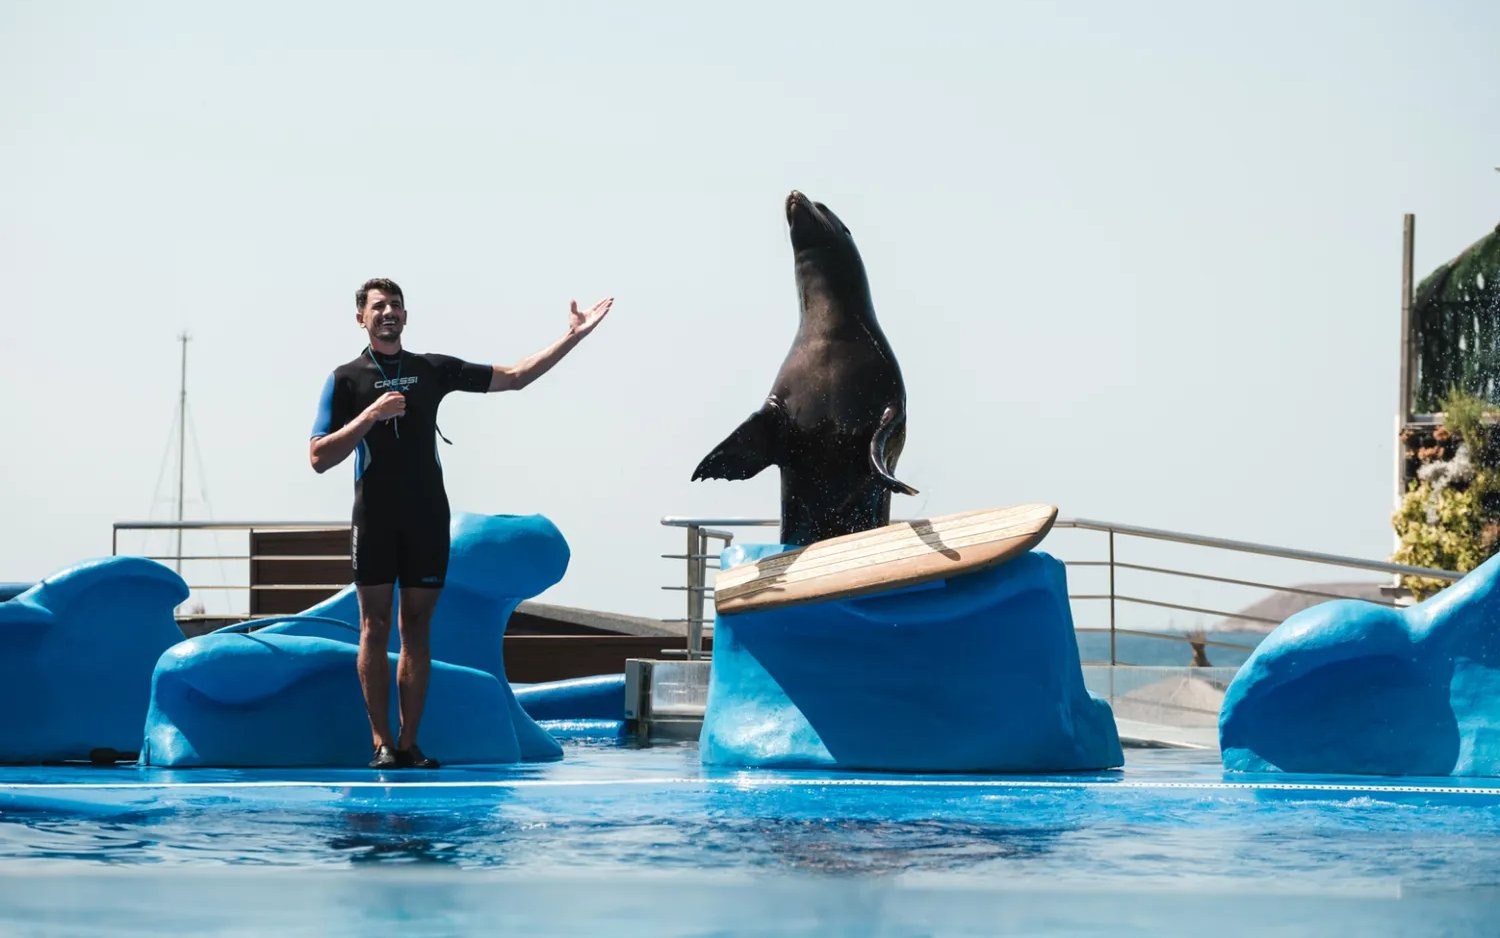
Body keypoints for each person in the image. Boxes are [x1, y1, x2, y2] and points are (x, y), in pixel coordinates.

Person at [309, 277, 613, 769]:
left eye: (396, 305)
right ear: (361, 317)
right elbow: (319, 457)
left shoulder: (431, 369)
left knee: (418, 628)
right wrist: (371, 414)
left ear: (406, 317)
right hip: (376, 517)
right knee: (374, 625)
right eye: (379, 306)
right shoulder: (346, 379)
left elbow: (514, 376)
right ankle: (380, 743)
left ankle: (409, 743)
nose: (389, 312)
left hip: (427, 515)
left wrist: (573, 336)